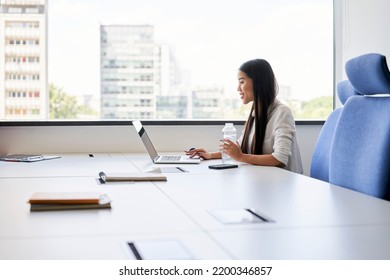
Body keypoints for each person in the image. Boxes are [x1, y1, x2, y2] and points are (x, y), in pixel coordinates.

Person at [186, 58, 303, 174]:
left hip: (283, 183)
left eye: (242, 82)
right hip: (264, 179)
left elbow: (279, 159)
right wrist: (210, 155)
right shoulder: (255, 114)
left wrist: (241, 157)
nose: (238, 88)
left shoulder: (282, 112)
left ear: (258, 82)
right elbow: (240, 147)